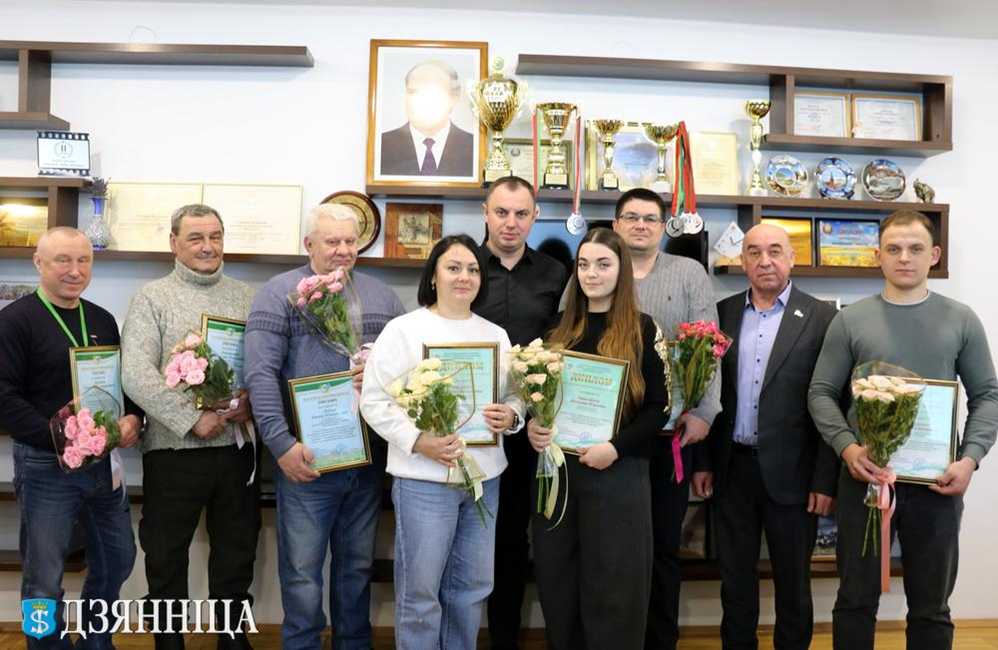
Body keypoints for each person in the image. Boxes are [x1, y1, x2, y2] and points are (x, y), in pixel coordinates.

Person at [808, 210, 998, 650]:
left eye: (915, 249)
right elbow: (821, 392)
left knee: (932, 606)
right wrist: (848, 449)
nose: (904, 258)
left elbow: (988, 395)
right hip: (866, 480)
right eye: (893, 249)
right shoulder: (850, 320)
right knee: (855, 599)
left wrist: (969, 460)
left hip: (938, 484)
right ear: (878, 256)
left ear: (934, 255)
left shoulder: (961, 319)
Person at [244, 203, 406, 649]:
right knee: (301, 574)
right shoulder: (279, 293)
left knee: (356, 569)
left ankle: (353, 644)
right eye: (332, 241)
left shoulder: (383, 297)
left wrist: (380, 376)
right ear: (308, 244)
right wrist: (281, 445)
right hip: (306, 461)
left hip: (367, 460)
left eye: (350, 241)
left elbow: (407, 373)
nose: (343, 250)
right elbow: (260, 374)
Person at [360, 234, 524, 650]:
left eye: (473, 269)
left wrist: (511, 415)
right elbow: (374, 401)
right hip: (424, 481)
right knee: (420, 593)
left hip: (485, 480)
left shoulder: (495, 334)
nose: (464, 276)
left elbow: (515, 396)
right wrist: (419, 441)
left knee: (471, 588)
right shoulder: (403, 330)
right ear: (433, 276)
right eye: (453, 268)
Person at [692, 224, 839, 649]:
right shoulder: (721, 314)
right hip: (731, 470)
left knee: (793, 584)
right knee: (735, 582)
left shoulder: (823, 318)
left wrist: (824, 480)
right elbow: (705, 390)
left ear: (792, 258)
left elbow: (834, 403)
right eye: (754, 252)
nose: (765, 261)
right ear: (743, 262)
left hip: (795, 476)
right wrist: (703, 462)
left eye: (775, 251)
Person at [121, 204, 259, 650]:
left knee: (237, 550)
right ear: (174, 243)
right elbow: (135, 373)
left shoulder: (248, 297)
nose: (207, 246)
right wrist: (190, 418)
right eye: (196, 237)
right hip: (173, 451)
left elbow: (265, 365)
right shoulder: (152, 298)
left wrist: (252, 403)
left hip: (236, 450)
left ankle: (233, 638)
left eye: (215, 236)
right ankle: (168, 641)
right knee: (165, 554)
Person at [0, 227, 140, 649]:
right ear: (38, 263)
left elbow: (121, 386)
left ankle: (96, 643)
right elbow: (4, 397)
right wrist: (60, 438)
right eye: (63, 260)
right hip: (45, 467)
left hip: (102, 466)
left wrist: (133, 418)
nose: (74, 270)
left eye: (83, 260)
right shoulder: (14, 321)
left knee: (118, 558)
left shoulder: (101, 319)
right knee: (42, 580)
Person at [528, 227, 668, 649]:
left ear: (621, 270)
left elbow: (660, 408)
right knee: (559, 579)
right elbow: (537, 397)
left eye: (603, 264)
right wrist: (535, 426)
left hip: (617, 472)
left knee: (615, 585)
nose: (592, 273)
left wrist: (615, 448)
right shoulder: (556, 330)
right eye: (584, 264)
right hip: (559, 476)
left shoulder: (644, 329)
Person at [608, 187, 721, 649]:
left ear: (663, 226)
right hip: (610, 437)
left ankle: (661, 640)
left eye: (650, 218)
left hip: (672, 434)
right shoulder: (598, 265)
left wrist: (706, 412)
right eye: (631, 217)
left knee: (663, 547)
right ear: (615, 225)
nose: (640, 225)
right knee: (616, 546)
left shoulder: (689, 272)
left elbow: (709, 345)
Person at [474, 176, 568, 650]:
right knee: (481, 534)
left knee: (523, 536)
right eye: (501, 212)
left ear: (535, 216)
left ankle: (507, 638)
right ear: (485, 213)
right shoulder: (463, 267)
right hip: (473, 425)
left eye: (521, 213)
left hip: (537, 428)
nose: (510, 223)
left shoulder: (557, 274)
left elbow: (568, 343)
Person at [380, 60, 474, 177]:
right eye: (413, 92)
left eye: (434, 92)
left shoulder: (473, 147)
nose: (422, 101)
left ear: (454, 98)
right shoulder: (382, 146)